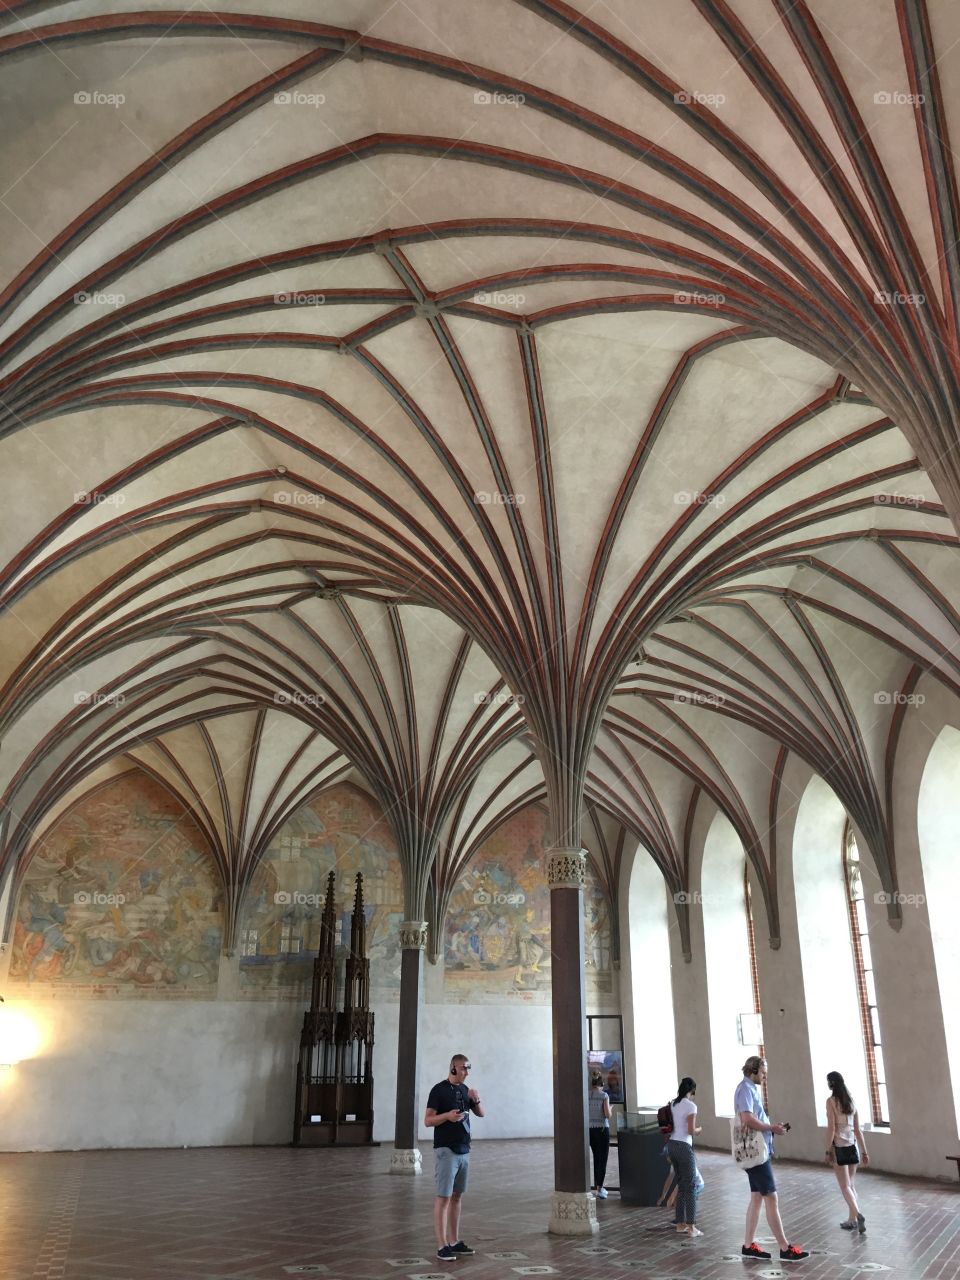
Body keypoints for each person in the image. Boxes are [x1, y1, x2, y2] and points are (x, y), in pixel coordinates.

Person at [735, 1056, 809, 1262]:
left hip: (758, 1150)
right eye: (763, 1073)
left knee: (757, 1197)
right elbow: (747, 1119)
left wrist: (772, 1128)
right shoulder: (745, 1089)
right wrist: (771, 1128)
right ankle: (785, 1248)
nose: (765, 1077)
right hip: (756, 1155)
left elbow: (754, 1117)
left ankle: (748, 1246)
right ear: (754, 1070)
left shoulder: (750, 1089)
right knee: (771, 1198)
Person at [425, 1054, 485, 1262]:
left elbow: (481, 1114)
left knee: (457, 1196)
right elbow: (428, 1120)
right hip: (446, 1150)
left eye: (469, 1068)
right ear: (452, 1068)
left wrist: (475, 1099)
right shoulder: (438, 1090)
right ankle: (441, 1245)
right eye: (464, 1068)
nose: (467, 1072)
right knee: (444, 1197)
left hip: (464, 1149)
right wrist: (447, 1117)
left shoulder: (465, 1090)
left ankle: (454, 1241)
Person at [824, 1070, 868, 1232]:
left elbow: (832, 1127)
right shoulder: (851, 1101)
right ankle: (852, 1219)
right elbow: (858, 1129)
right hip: (853, 1146)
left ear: (831, 1084)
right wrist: (865, 1152)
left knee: (844, 1186)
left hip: (839, 1147)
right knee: (851, 1185)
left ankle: (858, 1214)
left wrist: (828, 1150)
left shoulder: (831, 1102)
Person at [667, 1076, 703, 1236]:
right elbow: (690, 1130)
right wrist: (699, 1130)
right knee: (691, 1186)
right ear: (692, 1091)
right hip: (683, 1146)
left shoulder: (674, 1104)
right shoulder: (691, 1106)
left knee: (682, 1185)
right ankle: (691, 1227)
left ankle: (680, 1223)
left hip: (672, 1145)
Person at [588, 1070, 612, 1198]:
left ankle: (592, 1187)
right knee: (602, 1159)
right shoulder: (604, 1095)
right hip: (602, 1130)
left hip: (590, 1130)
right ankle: (600, 1188)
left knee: (596, 1157)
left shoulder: (586, 1095)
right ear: (601, 1084)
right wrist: (611, 1110)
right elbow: (607, 1114)